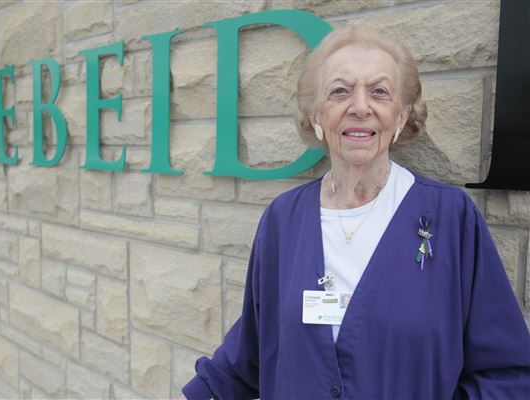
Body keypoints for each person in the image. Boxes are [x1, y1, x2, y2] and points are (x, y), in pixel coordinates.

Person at [181, 25, 530, 399]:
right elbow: (249, 352)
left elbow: (507, 374)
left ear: (401, 115)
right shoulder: (283, 219)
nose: (361, 107)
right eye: (340, 91)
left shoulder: (451, 218)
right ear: (316, 114)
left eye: (379, 92)